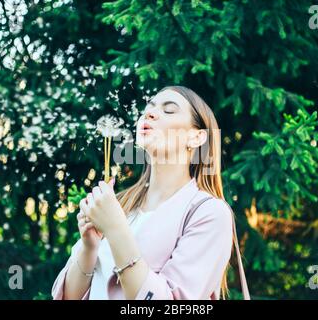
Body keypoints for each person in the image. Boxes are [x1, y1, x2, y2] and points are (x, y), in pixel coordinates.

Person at [52, 85, 249, 300]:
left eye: (169, 110)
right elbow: (68, 297)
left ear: (197, 138)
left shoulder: (210, 213)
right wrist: (89, 246)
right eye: (149, 107)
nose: (149, 113)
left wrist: (116, 229)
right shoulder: (120, 205)